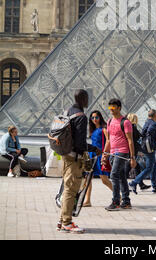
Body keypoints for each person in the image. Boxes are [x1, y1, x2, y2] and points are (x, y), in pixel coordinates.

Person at [57, 89, 100, 234]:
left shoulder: (67, 111)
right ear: (82, 99)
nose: (88, 100)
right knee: (71, 189)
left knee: (67, 187)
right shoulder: (81, 117)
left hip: (65, 155)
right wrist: (94, 148)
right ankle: (67, 223)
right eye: (87, 97)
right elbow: (81, 144)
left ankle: (62, 219)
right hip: (75, 158)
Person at [101, 98, 136, 211]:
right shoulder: (109, 121)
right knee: (121, 177)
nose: (111, 109)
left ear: (119, 108)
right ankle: (126, 201)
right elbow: (109, 140)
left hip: (122, 152)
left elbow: (130, 141)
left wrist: (132, 158)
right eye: (110, 106)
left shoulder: (125, 122)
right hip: (112, 153)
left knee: (114, 175)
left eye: (113, 106)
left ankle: (116, 201)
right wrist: (105, 154)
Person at [83, 111, 112, 207]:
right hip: (90, 155)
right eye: (92, 118)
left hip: (99, 155)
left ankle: (118, 195)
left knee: (104, 179)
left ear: (100, 117)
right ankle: (87, 200)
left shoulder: (103, 129)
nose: (94, 119)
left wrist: (105, 153)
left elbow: (109, 141)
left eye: (96, 117)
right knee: (87, 178)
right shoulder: (92, 130)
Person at [129, 109, 156, 194]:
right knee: (149, 168)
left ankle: (155, 187)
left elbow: (143, 133)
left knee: (153, 167)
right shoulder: (154, 123)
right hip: (150, 148)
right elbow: (150, 131)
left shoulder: (147, 122)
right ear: (155, 115)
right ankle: (134, 182)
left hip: (145, 147)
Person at [125, 113, 150, 191]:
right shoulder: (132, 127)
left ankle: (141, 184)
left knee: (136, 167)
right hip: (132, 151)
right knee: (127, 168)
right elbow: (136, 139)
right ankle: (123, 185)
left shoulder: (131, 127)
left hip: (131, 150)